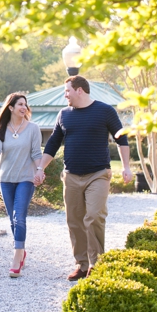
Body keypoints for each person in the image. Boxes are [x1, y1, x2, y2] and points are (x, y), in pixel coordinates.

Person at [34, 76, 133, 280]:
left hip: (98, 174)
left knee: (94, 216)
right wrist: (40, 168)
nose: (65, 95)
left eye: (67, 91)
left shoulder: (105, 110)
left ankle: (96, 265)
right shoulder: (64, 114)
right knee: (74, 221)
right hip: (71, 175)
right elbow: (53, 143)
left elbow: (121, 138)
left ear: (80, 90)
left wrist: (126, 167)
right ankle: (82, 264)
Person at [0, 92, 43, 278]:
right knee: (11, 219)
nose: (24, 108)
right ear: (11, 108)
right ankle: (21, 250)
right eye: (20, 105)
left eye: (25, 104)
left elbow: (36, 153)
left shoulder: (33, 128)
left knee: (19, 217)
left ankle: (17, 257)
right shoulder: (1, 129)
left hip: (26, 178)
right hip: (6, 179)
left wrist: (40, 170)